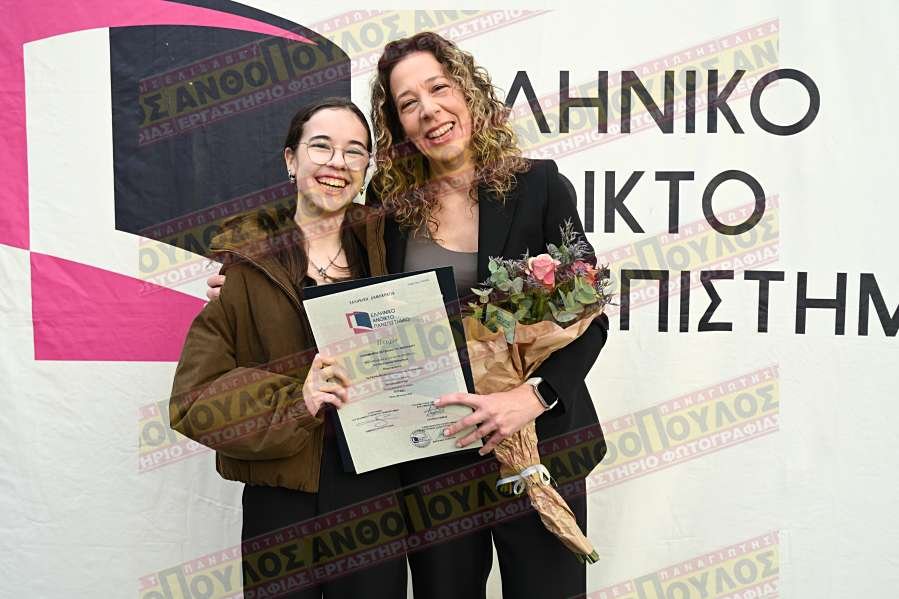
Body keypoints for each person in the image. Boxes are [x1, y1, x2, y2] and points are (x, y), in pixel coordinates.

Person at [366, 32, 611, 599]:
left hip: (539, 442)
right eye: (408, 103)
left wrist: (532, 396)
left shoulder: (539, 186)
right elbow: (332, 256)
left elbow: (591, 316)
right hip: (436, 455)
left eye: (438, 88)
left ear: (467, 92)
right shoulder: (390, 206)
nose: (429, 111)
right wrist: (248, 275)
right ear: (399, 126)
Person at [170, 98, 406, 599]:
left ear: (366, 169)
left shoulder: (393, 249)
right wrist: (296, 402)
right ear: (291, 160)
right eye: (321, 147)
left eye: (354, 151)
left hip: (374, 493)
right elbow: (193, 401)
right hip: (279, 500)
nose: (337, 163)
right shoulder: (246, 267)